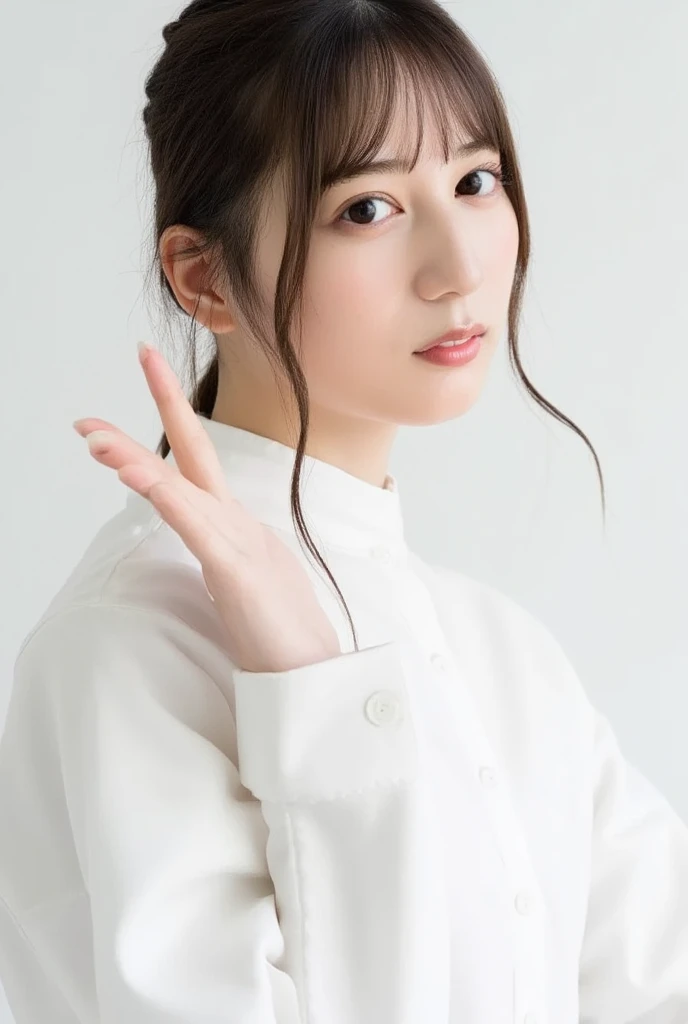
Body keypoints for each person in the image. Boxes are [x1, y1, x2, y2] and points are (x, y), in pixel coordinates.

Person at [1, 0, 687, 1021]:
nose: (460, 268)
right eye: (367, 208)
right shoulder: (134, 639)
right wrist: (314, 694)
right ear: (203, 277)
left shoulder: (506, 653)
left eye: (474, 179)